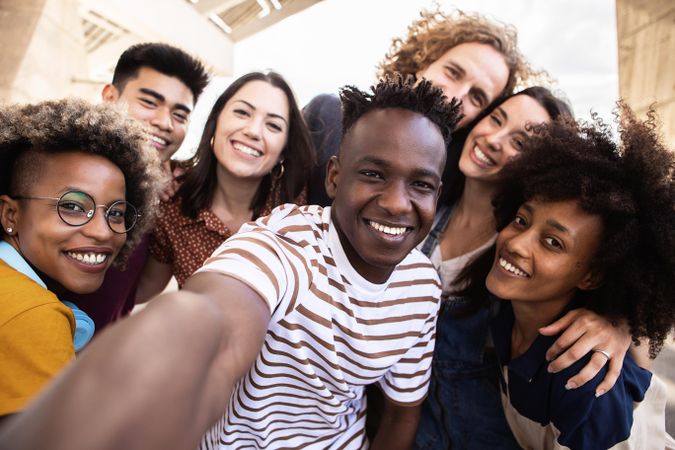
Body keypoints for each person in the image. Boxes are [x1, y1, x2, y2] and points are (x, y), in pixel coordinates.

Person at [0, 76, 461, 450]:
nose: (398, 204)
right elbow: (210, 322)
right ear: (335, 176)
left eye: (420, 184)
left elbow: (403, 411)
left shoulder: (423, 286)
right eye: (374, 174)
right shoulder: (278, 243)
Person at [414, 88, 636, 449]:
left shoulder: (520, 268)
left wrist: (619, 322)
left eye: (519, 141)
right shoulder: (426, 206)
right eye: (496, 119)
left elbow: (616, 270)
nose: (495, 140)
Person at [456, 106, 675, 448]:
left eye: (553, 243)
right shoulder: (503, 309)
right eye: (522, 221)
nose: (516, 243)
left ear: (591, 276)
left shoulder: (587, 383)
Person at [0, 98, 163, 418]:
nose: (104, 232)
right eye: (73, 206)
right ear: (11, 214)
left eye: (116, 213)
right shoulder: (34, 315)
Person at [303, 8, 543, 205]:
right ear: (424, 62)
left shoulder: (451, 187)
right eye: (453, 72)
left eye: (477, 97)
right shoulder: (327, 116)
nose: (455, 96)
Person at [66, 42, 210, 331]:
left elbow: (141, 287)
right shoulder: (55, 166)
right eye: (149, 102)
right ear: (110, 97)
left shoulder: (166, 193)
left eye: (179, 115)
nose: (164, 122)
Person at [135, 71, 314, 298]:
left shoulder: (301, 205)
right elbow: (143, 289)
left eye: (273, 125)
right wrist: (143, 177)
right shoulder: (173, 204)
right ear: (215, 121)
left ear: (283, 152)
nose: (253, 131)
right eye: (242, 112)